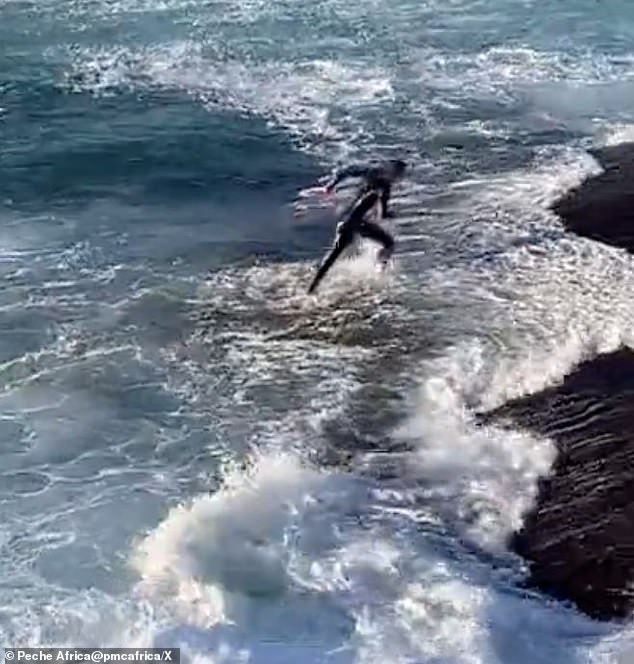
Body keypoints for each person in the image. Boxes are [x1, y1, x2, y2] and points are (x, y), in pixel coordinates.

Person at [307, 189, 394, 294]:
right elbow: (357, 214)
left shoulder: (375, 196)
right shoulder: (374, 195)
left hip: (355, 226)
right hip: (351, 227)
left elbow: (377, 213)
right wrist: (355, 228)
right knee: (332, 258)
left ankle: (379, 272)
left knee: (388, 243)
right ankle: (313, 287)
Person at [323, 158, 407, 218]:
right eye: (397, 173)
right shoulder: (374, 169)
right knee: (362, 195)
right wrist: (332, 184)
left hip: (377, 178)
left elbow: (385, 196)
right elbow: (347, 172)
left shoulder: (388, 175)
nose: (398, 176)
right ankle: (347, 213)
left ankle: (382, 214)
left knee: (383, 193)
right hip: (371, 175)